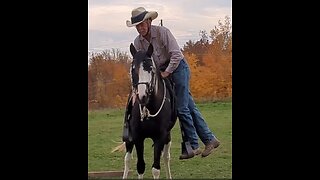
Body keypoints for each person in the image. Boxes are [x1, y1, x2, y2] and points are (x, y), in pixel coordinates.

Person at [123, 7, 220, 159]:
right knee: (189, 106)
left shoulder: (163, 32)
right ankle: (209, 139)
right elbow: (144, 65)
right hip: (161, 71)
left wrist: (167, 72)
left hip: (178, 67)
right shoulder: (138, 43)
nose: (140, 28)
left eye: (142, 24)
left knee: (181, 108)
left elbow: (176, 54)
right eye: (137, 26)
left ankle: (193, 146)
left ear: (149, 21)